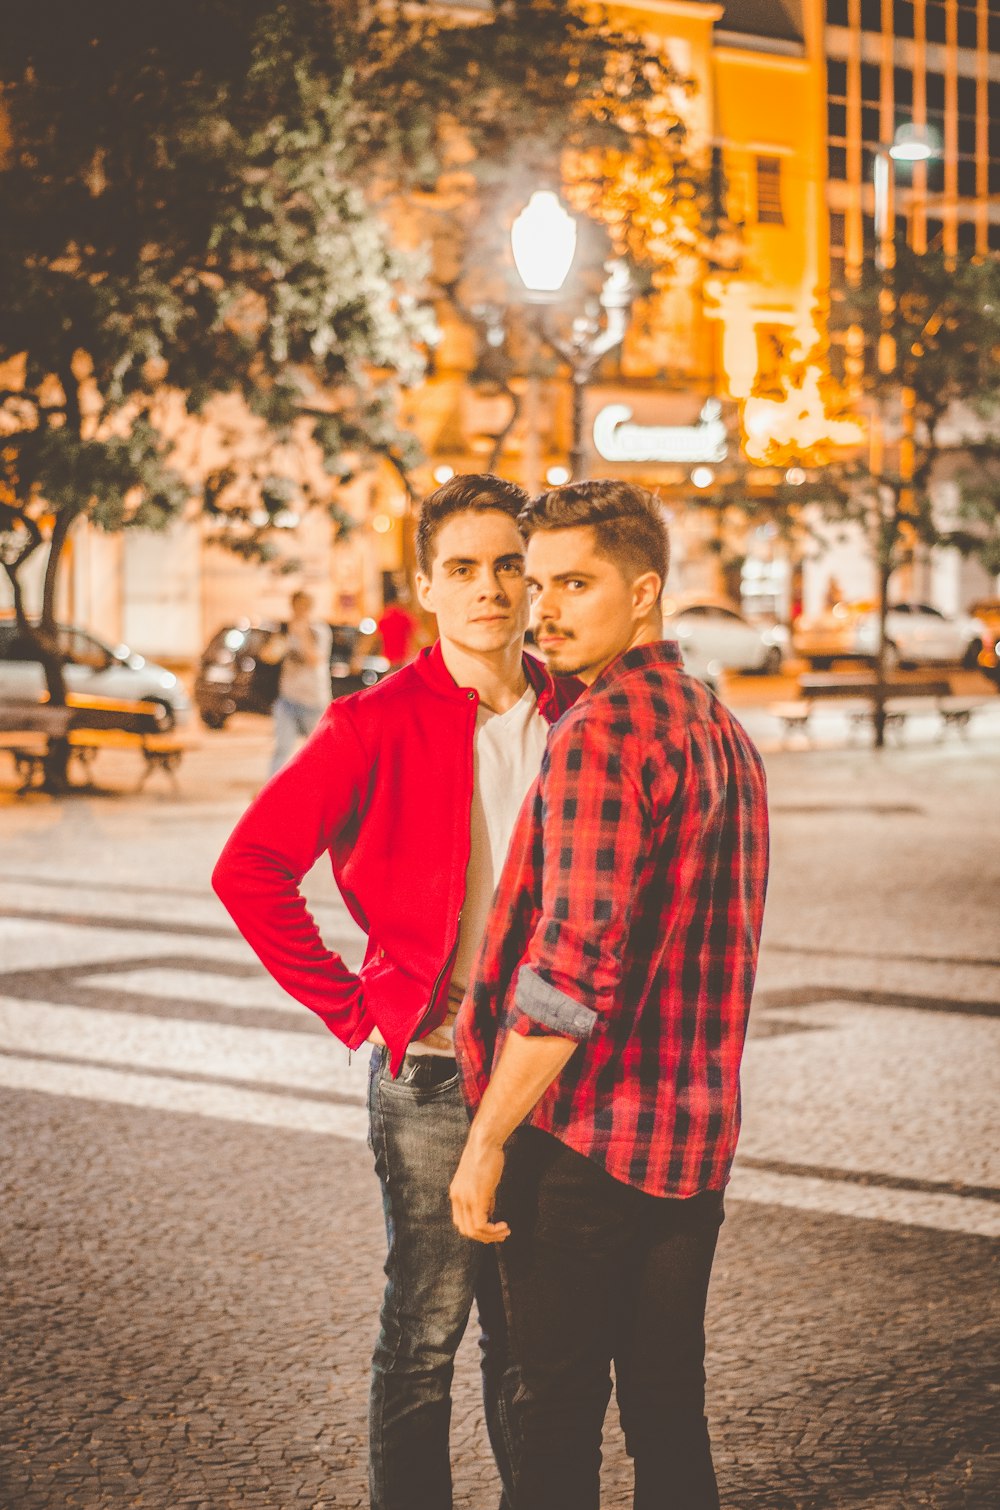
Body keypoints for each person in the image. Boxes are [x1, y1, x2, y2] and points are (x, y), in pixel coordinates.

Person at [212, 474, 578, 1510]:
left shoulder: (575, 711)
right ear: (426, 584)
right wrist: (351, 1007)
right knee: (426, 1330)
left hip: (550, 1068)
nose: (490, 588)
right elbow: (249, 868)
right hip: (429, 1074)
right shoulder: (372, 722)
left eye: (510, 563)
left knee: (534, 1340)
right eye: (463, 567)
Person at [449, 480, 770, 1510]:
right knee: (669, 1406)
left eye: (573, 582)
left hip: (583, 1141)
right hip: (691, 1137)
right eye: (535, 582)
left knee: (552, 1415)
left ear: (644, 592)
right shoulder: (719, 728)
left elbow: (570, 973)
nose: (542, 606)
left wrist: (488, 1135)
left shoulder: (599, 733)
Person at [263, 590, 333, 777]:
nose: (299, 611)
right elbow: (269, 656)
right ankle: (273, 795)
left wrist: (302, 634)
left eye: (303, 607)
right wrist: (282, 639)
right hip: (288, 699)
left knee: (318, 751)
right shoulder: (287, 630)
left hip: (314, 701)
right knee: (281, 749)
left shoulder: (319, 630)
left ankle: (323, 793)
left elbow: (314, 659)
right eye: (296, 607)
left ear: (309, 607)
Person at [377, 580, 422, 669]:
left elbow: (379, 638)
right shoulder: (405, 615)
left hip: (388, 660)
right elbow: (416, 636)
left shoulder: (383, 616)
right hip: (404, 658)